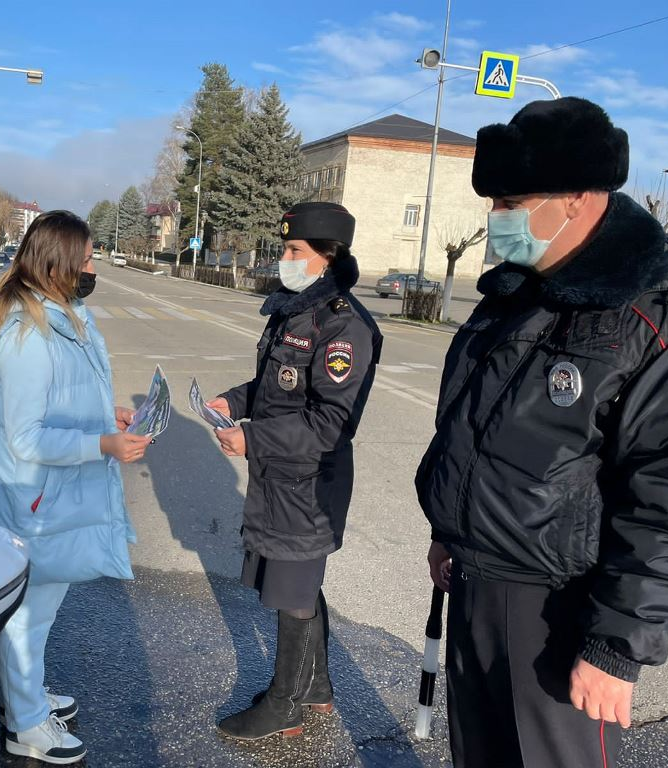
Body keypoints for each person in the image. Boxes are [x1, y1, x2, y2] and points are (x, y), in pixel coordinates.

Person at [418, 97, 668, 767]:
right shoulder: (512, 296)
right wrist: (448, 533)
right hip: (478, 581)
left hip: (564, 609)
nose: (497, 219)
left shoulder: (652, 318)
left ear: (575, 196)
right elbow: (469, 429)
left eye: (511, 201)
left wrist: (619, 644)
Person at [0, 210, 151, 764]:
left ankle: (26, 697)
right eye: (89, 257)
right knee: (27, 616)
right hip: (31, 497)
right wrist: (102, 445)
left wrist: (109, 416)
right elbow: (26, 438)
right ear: (60, 263)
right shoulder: (29, 331)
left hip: (45, 496)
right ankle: (24, 723)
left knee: (40, 610)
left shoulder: (60, 313)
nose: (95, 265)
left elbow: (61, 401)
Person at [209, 202, 382, 740]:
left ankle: (284, 704)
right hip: (280, 479)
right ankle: (318, 688)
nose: (284, 259)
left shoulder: (345, 325)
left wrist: (252, 438)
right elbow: (276, 387)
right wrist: (231, 399)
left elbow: (331, 422)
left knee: (292, 592)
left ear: (328, 258)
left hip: (308, 483)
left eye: (295, 251)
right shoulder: (296, 311)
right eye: (285, 249)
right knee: (298, 587)